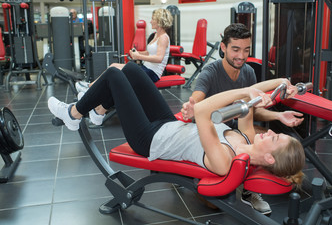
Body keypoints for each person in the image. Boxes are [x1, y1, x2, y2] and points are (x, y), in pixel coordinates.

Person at [48, 63, 305, 189]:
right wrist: (282, 82)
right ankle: (99, 109)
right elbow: (249, 96)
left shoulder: (226, 159)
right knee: (131, 70)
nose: (270, 132)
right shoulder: (247, 138)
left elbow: (204, 112)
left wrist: (247, 92)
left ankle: (73, 113)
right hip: (169, 126)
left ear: (269, 158)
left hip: (149, 140)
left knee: (115, 76)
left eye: (275, 138)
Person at [181, 23, 304, 215]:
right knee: (215, 204)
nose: (241, 56)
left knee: (268, 139)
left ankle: (249, 192)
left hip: (238, 127)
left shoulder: (248, 72)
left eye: (246, 50)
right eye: (235, 49)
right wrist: (191, 106)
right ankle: (189, 173)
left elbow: (252, 110)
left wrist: (278, 115)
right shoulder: (210, 72)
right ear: (223, 47)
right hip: (213, 132)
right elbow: (197, 98)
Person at [75, 8, 173, 125]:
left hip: (152, 73)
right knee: (113, 67)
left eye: (153, 19)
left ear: (159, 21)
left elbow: (159, 58)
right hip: (145, 68)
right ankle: (94, 96)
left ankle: (92, 93)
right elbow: (150, 53)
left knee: (116, 75)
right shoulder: (156, 35)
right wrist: (138, 53)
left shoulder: (163, 38)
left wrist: (139, 57)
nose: (151, 21)